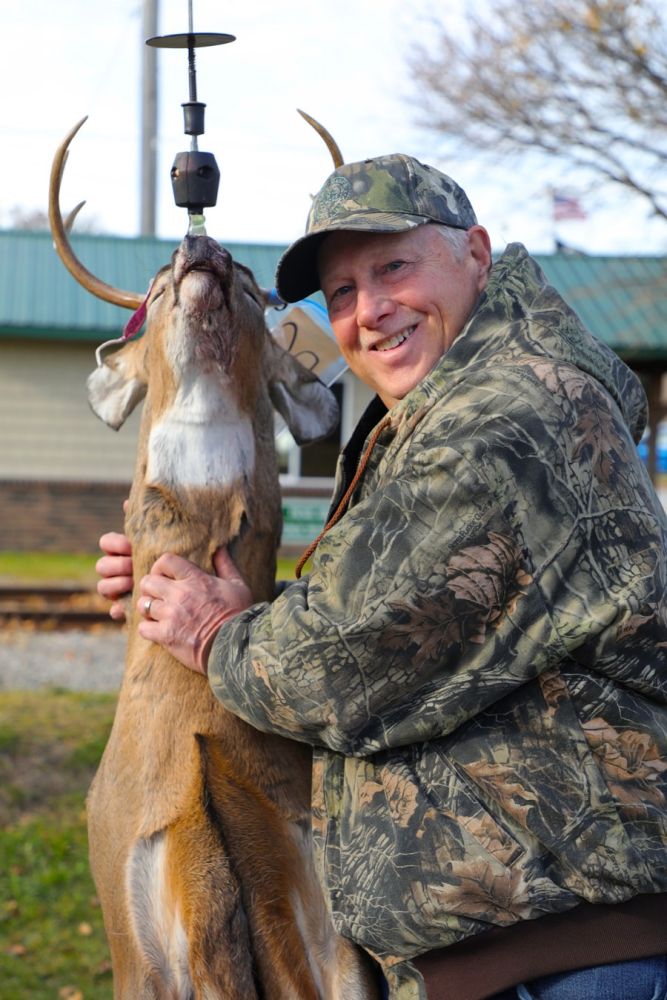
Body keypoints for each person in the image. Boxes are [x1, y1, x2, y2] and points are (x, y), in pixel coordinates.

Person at [97, 154, 667, 1000]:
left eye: (394, 267)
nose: (369, 310)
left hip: (573, 959)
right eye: (341, 292)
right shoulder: (457, 407)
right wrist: (198, 592)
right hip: (523, 947)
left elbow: (339, 664)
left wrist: (215, 630)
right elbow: (415, 620)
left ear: (476, 254)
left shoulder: (502, 420)